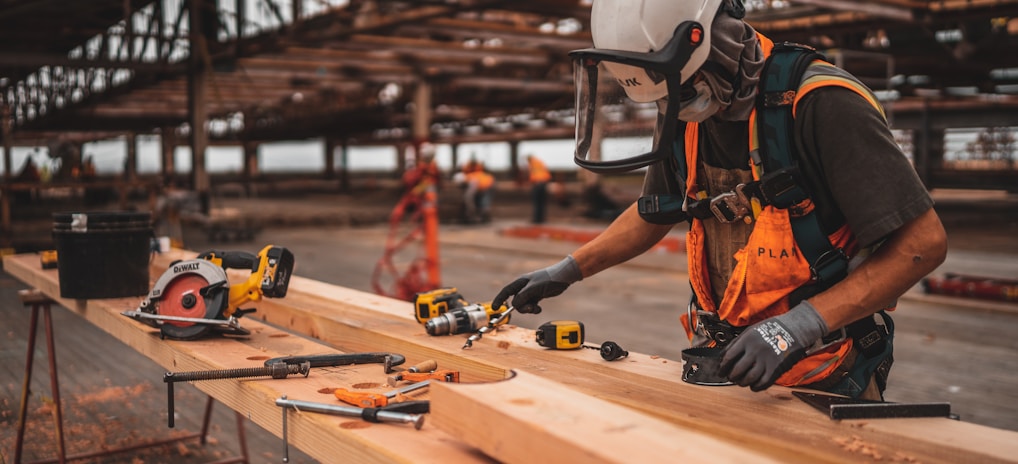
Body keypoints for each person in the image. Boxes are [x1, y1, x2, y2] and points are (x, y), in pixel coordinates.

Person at [492, 0, 947, 401]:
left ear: (717, 40)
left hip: (825, 370)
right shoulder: (683, 104)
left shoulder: (820, 102)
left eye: (685, 88)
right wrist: (567, 270)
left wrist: (801, 324)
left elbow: (922, 244)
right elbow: (656, 212)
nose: (679, 105)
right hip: (726, 365)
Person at [526, 154, 551, 223]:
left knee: (537, 202)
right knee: (542, 202)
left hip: (537, 184)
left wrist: (533, 182)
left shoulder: (532, 164)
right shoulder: (539, 162)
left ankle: (537, 219)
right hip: (544, 182)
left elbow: (533, 174)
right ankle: (541, 218)